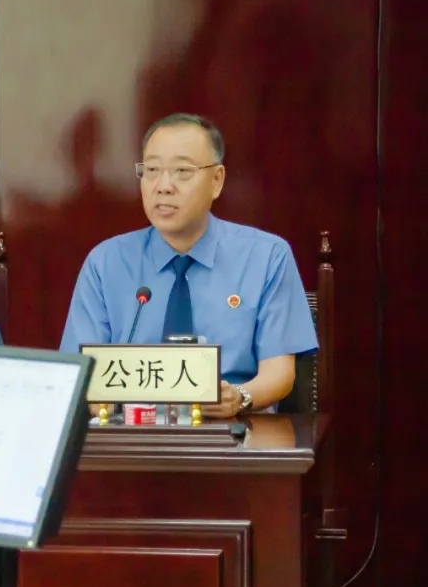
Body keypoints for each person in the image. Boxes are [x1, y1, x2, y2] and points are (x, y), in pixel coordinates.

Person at [59, 113, 317, 418]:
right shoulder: (106, 263)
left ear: (217, 180)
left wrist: (239, 398)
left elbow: (280, 373)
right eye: (152, 170)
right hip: (133, 432)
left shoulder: (267, 256)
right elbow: (78, 378)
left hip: (233, 431)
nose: (163, 186)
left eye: (182, 171)